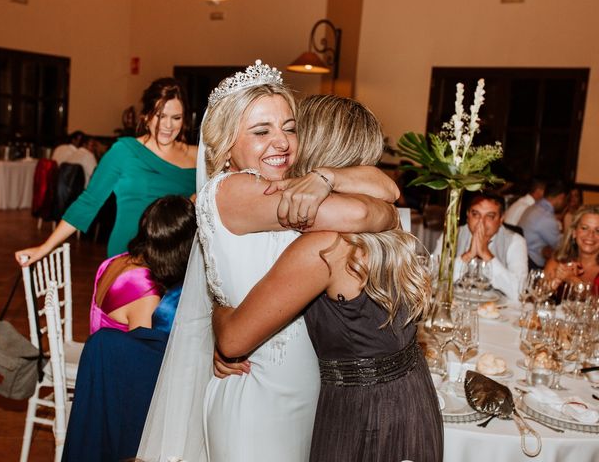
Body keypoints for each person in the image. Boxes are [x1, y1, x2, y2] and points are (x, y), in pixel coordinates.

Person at [137, 61, 400, 462]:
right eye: (262, 132)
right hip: (259, 393)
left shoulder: (280, 189)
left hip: (298, 384)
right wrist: (365, 201)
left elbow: (388, 187)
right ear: (225, 145)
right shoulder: (233, 191)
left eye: (290, 128)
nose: (282, 142)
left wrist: (326, 177)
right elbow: (369, 212)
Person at [212, 94, 443, 461]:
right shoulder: (381, 221)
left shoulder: (322, 246)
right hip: (412, 396)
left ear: (313, 144)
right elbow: (389, 192)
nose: (285, 143)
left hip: (362, 416)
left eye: (293, 130)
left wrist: (219, 308)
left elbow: (232, 340)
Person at [62, 195, 196, 462]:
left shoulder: (117, 260)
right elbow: (140, 357)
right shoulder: (146, 288)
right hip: (114, 384)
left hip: (99, 367)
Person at [15, 78, 197, 265]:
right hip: (130, 258)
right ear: (145, 115)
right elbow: (88, 202)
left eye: (176, 118)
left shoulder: (198, 156)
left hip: (180, 260)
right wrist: (45, 247)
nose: (168, 125)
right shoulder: (124, 151)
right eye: (160, 115)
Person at [89, 195, 196, 334]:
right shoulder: (145, 290)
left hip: (97, 349)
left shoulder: (115, 261)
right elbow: (142, 352)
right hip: (115, 354)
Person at [433, 192, 528, 300]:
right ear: (468, 215)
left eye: (490, 216)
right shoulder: (451, 235)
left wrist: (486, 254)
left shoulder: (515, 241)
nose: (481, 222)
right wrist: (468, 255)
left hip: (498, 311)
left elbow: (520, 293)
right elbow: (434, 283)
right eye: (476, 214)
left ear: (501, 219)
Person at [544, 205, 599, 292]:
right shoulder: (557, 262)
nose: (590, 235)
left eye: (598, 230)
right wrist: (553, 284)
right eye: (584, 228)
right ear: (574, 233)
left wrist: (572, 279)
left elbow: (595, 304)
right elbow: (536, 298)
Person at [519, 179, 568, 269]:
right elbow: (562, 246)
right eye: (566, 200)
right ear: (561, 197)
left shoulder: (532, 207)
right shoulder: (546, 217)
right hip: (532, 264)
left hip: (522, 255)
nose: (566, 203)